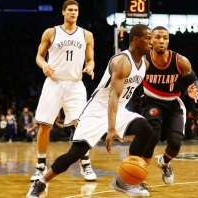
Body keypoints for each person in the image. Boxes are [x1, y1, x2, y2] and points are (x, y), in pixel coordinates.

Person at [26, 23, 154, 198]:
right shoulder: (122, 61)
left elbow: (120, 100)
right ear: (136, 39)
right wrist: (111, 129)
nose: (152, 42)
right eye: (148, 38)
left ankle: (123, 181)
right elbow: (113, 97)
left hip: (118, 110)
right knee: (75, 154)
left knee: (146, 130)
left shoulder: (144, 64)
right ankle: (41, 183)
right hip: (97, 110)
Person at [31, 0, 96, 182]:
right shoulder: (51, 32)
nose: (73, 13)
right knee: (44, 126)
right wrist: (44, 65)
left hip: (75, 84)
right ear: (63, 12)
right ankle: (40, 166)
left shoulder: (87, 35)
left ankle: (86, 163)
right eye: (70, 10)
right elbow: (39, 56)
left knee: (81, 125)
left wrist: (90, 67)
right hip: (54, 83)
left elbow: (90, 60)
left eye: (76, 10)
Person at [140, 26, 198, 184]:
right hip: (151, 101)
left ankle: (164, 162)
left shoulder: (180, 60)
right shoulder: (143, 60)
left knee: (175, 145)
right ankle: (139, 176)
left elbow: (195, 80)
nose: (161, 40)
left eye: (165, 38)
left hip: (173, 105)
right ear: (151, 40)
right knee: (153, 135)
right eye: (158, 37)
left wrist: (195, 89)